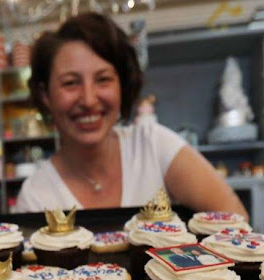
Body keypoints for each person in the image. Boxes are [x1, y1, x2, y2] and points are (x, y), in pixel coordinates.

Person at [15, 13, 248, 220]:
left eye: (103, 79)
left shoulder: (154, 146)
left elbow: (236, 221)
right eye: (70, 83)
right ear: (45, 95)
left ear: (122, 86)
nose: (88, 99)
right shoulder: (35, 196)